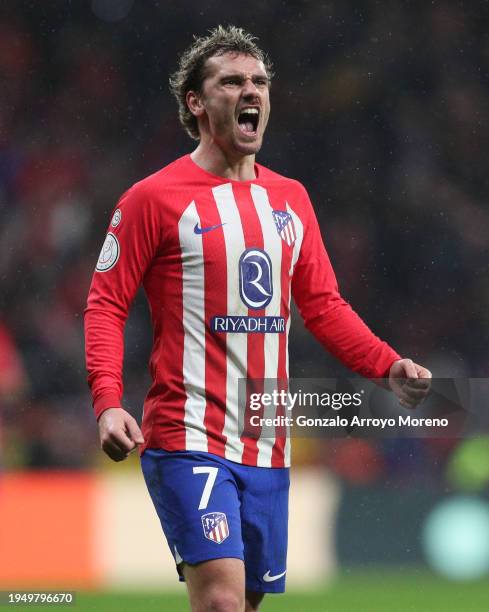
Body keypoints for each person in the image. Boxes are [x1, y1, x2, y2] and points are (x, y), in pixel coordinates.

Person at [84, 25, 431, 612]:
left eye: (260, 81)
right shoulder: (152, 198)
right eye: (232, 81)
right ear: (196, 102)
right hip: (186, 435)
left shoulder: (290, 199)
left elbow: (322, 305)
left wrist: (387, 364)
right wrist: (108, 399)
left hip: (267, 444)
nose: (252, 91)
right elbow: (106, 302)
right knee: (219, 602)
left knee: (241, 606)